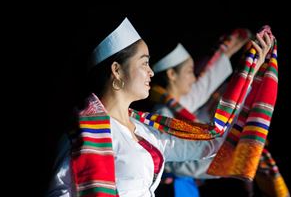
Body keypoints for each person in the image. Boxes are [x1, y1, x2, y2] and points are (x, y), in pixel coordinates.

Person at [46, 17, 274, 197]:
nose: (151, 72)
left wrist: (250, 73)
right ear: (117, 70)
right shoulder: (84, 134)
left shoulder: (145, 129)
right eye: (144, 62)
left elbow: (212, 142)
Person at [149, 29, 251, 197]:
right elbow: (175, 164)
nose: (194, 78)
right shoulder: (163, 111)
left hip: (187, 186)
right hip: (172, 188)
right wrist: (227, 162)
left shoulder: (179, 107)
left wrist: (229, 54)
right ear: (172, 74)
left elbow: (201, 89)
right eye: (189, 71)